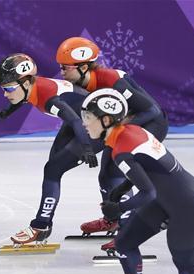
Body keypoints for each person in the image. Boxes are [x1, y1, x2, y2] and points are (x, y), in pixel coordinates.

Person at [81, 88, 194, 274]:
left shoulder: (121, 150)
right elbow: (148, 169)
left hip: (190, 209)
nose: (84, 123)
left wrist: (118, 208)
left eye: (88, 117)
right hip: (172, 199)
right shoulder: (131, 131)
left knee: (184, 261)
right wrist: (122, 189)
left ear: (106, 120)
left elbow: (147, 193)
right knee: (124, 243)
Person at [55, 36, 168, 246]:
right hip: (125, 123)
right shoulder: (82, 84)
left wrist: (116, 128)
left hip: (151, 123)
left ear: (84, 67)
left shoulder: (109, 79)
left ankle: (127, 230)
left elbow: (152, 110)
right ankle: (113, 220)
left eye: (65, 67)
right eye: (60, 67)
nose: (61, 72)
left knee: (116, 171)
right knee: (105, 173)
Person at [0, 53, 101, 245]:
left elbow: (75, 121)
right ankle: (44, 225)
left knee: (52, 169)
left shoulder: (49, 99)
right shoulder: (30, 87)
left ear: (26, 82)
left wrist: (87, 148)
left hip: (97, 126)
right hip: (83, 119)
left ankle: (40, 226)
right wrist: (5, 113)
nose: (5, 95)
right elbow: (23, 99)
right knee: (52, 167)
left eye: (8, 89)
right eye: (3, 89)